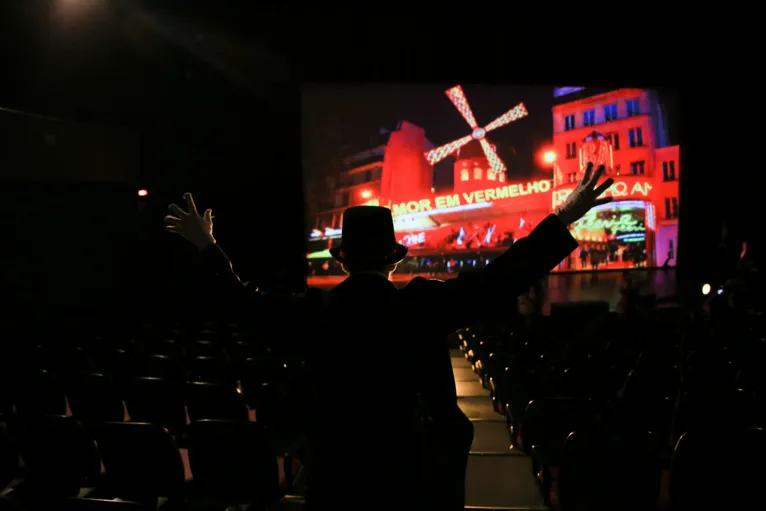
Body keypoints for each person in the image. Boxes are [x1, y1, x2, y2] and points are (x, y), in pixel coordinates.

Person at [164, 162, 614, 510]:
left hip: (336, 477)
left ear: (342, 260)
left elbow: (243, 303)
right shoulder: (419, 304)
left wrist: (208, 246)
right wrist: (562, 218)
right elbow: (500, 280)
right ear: (393, 259)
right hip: (416, 478)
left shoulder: (314, 311)